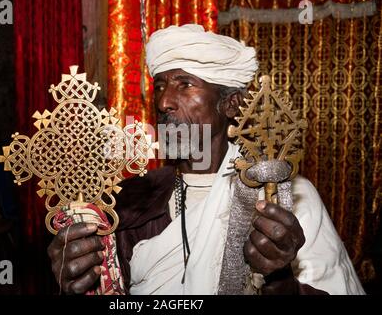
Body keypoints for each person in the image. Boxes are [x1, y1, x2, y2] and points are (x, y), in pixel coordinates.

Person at [47, 24, 365, 295]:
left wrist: (278, 279)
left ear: (231, 104)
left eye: (185, 84)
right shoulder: (131, 199)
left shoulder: (284, 196)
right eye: (159, 86)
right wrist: (79, 277)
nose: (164, 101)